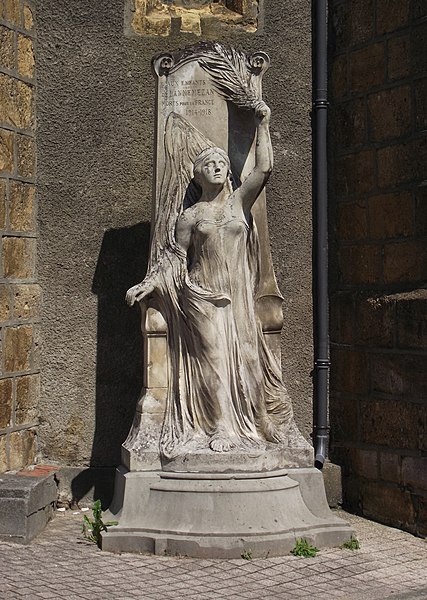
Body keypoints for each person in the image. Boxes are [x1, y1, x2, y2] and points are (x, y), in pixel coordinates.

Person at [126, 101, 293, 456]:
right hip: (202, 295)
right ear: (198, 176)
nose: (216, 167)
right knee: (214, 359)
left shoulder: (238, 204)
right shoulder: (190, 217)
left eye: (220, 163)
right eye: (208, 165)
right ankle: (219, 426)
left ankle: (253, 420)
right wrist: (151, 282)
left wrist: (263, 123)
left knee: (248, 358)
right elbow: (175, 258)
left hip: (238, 296)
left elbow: (264, 168)